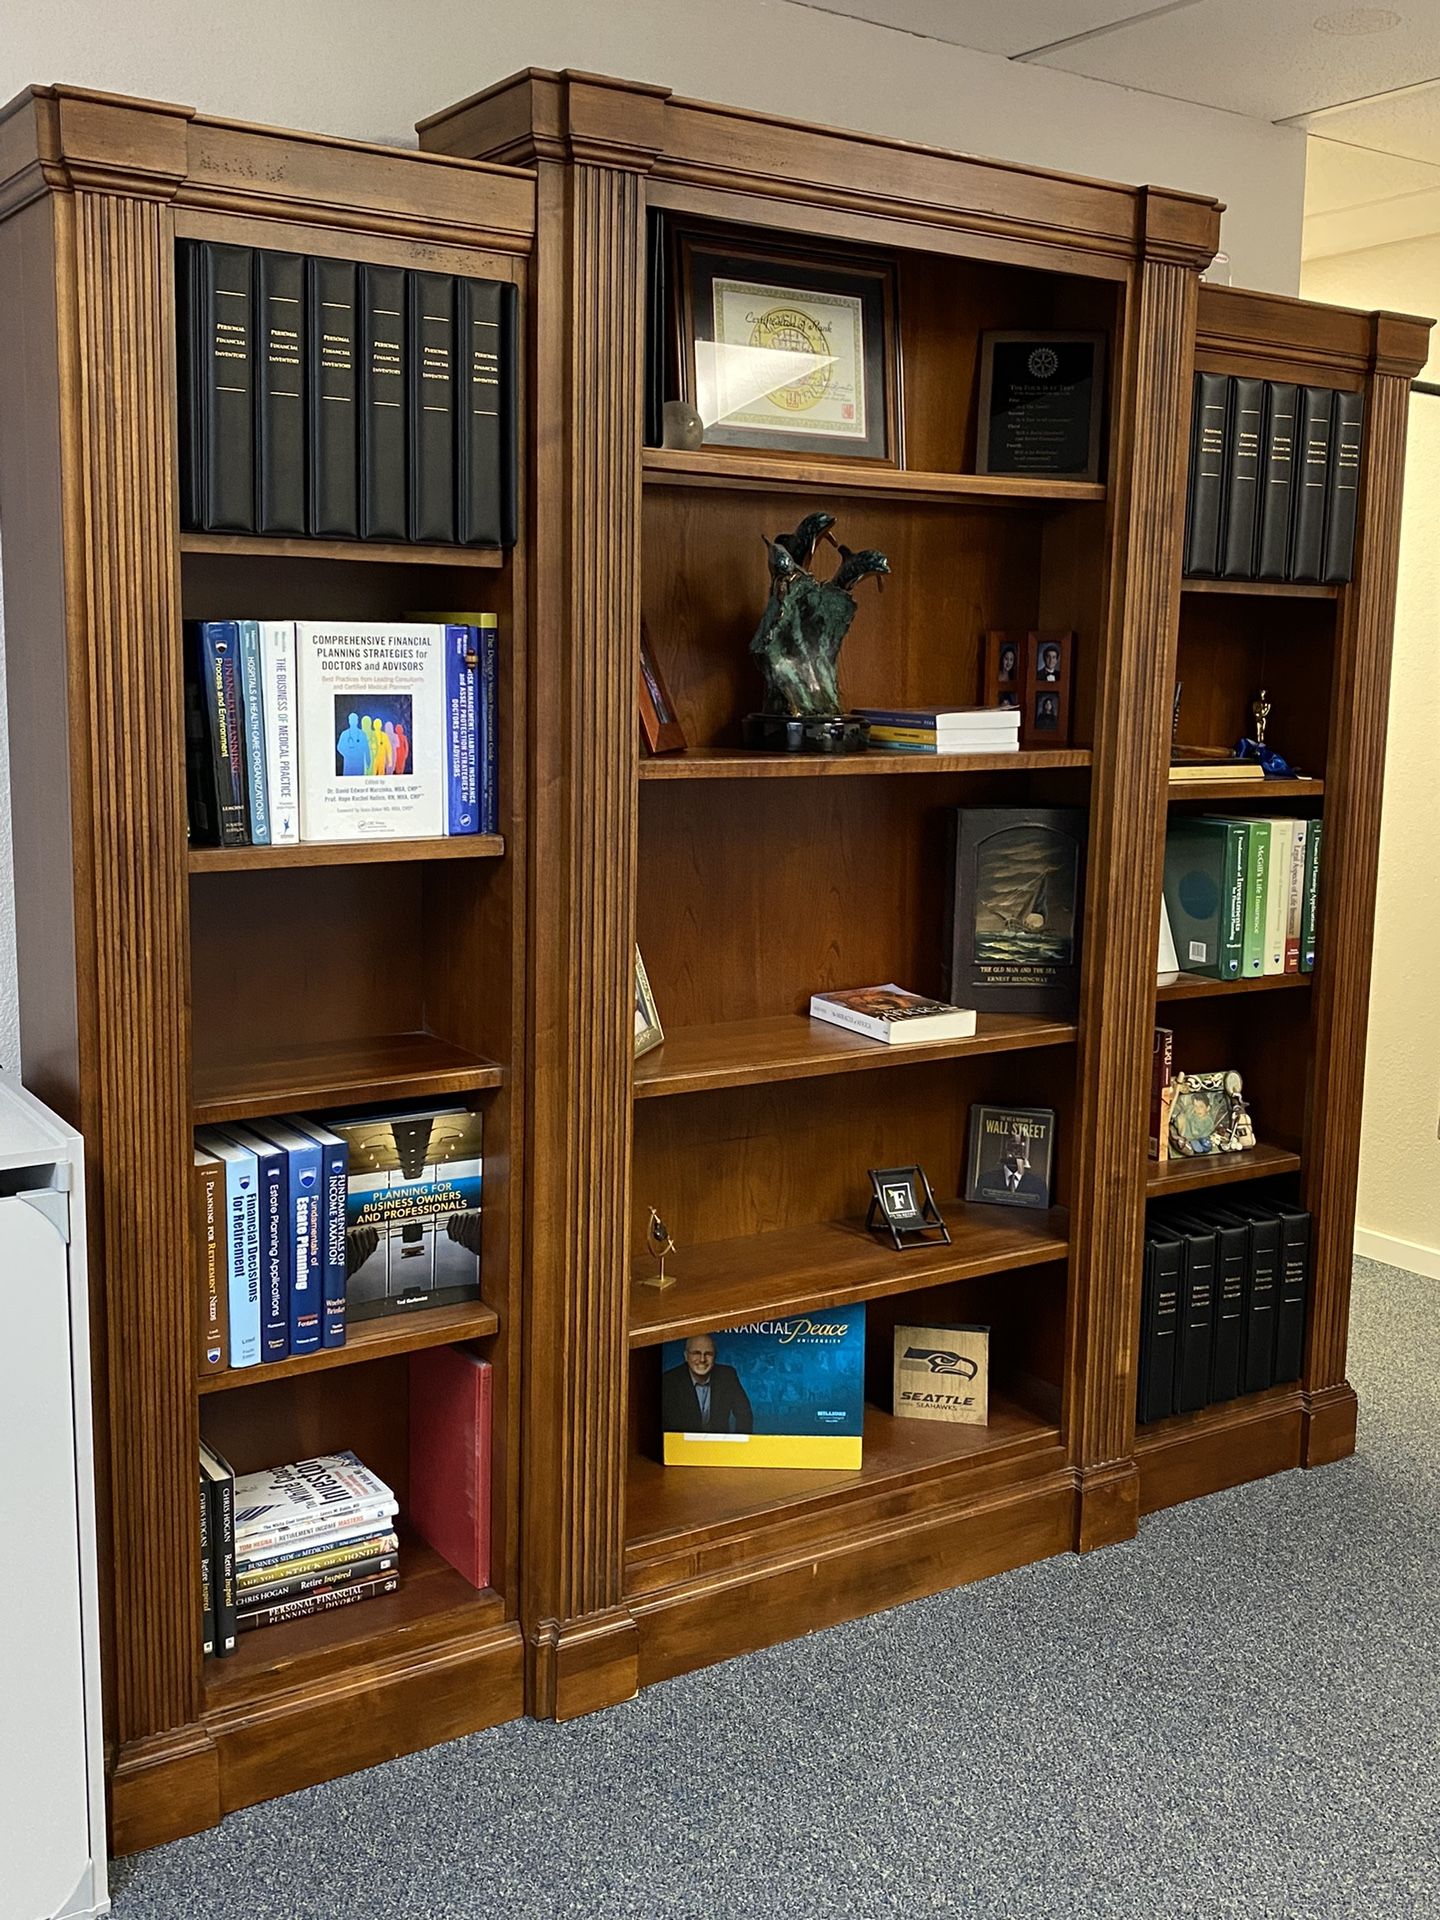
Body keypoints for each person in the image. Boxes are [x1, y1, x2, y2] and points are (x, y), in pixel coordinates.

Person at [661, 1333, 754, 1435]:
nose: (702, 1359)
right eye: (696, 1353)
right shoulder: (669, 1381)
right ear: (686, 1356)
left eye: (708, 1354)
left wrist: (738, 1444)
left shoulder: (727, 1376)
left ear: (715, 1357)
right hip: (682, 1447)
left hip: (718, 1446)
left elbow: (745, 1414)